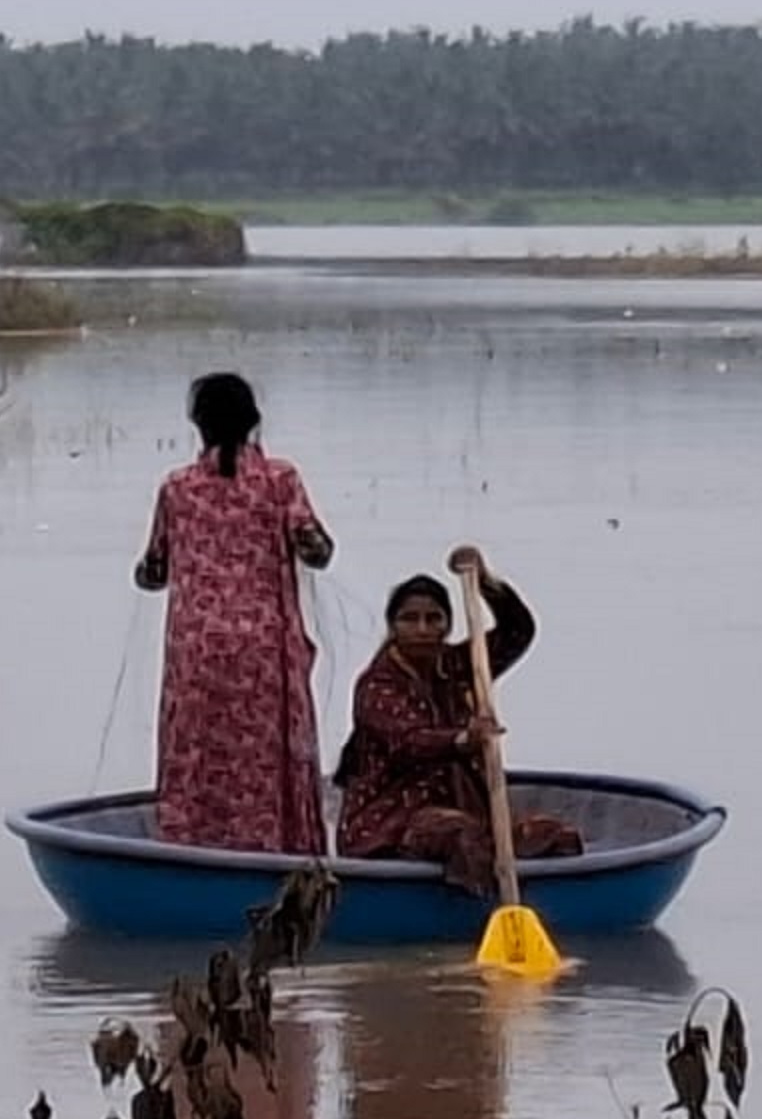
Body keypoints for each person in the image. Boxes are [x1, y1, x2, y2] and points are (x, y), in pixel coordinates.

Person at [133, 372, 334, 856]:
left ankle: (194, 846)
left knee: (198, 750)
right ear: (253, 421)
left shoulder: (177, 487)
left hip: (196, 649)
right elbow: (319, 552)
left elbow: (153, 573)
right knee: (264, 752)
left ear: (197, 424)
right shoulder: (280, 480)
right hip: (265, 649)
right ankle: (275, 846)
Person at [334, 547, 583, 896]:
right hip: (393, 824)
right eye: (410, 619)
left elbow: (518, 631)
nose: (422, 629)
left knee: (557, 836)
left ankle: (552, 911)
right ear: (393, 626)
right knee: (462, 835)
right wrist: (463, 739)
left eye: (433, 619)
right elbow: (410, 742)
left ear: (447, 625)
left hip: (468, 811)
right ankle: (471, 913)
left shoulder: (458, 665)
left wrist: (484, 582)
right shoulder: (377, 684)